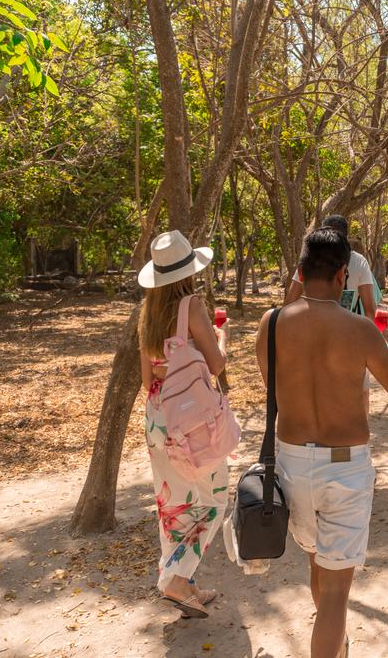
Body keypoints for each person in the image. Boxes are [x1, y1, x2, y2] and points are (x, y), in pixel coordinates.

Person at [256, 228, 388, 658]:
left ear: (300, 272)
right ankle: (332, 647)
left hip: (291, 463)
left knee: (316, 566)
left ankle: (336, 647)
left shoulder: (271, 324)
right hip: (345, 467)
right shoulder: (359, 329)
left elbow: (275, 391)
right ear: (343, 274)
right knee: (338, 587)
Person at [137, 230, 228, 619]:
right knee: (214, 501)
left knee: (173, 503)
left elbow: (147, 380)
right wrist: (224, 337)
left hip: (159, 419)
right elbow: (216, 364)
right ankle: (176, 578)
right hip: (193, 422)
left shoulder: (147, 315)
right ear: (187, 272)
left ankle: (183, 585)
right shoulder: (192, 306)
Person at [285, 215, 377, 322]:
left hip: (312, 328)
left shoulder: (309, 260)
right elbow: (370, 310)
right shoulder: (359, 262)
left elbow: (289, 304)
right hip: (346, 329)